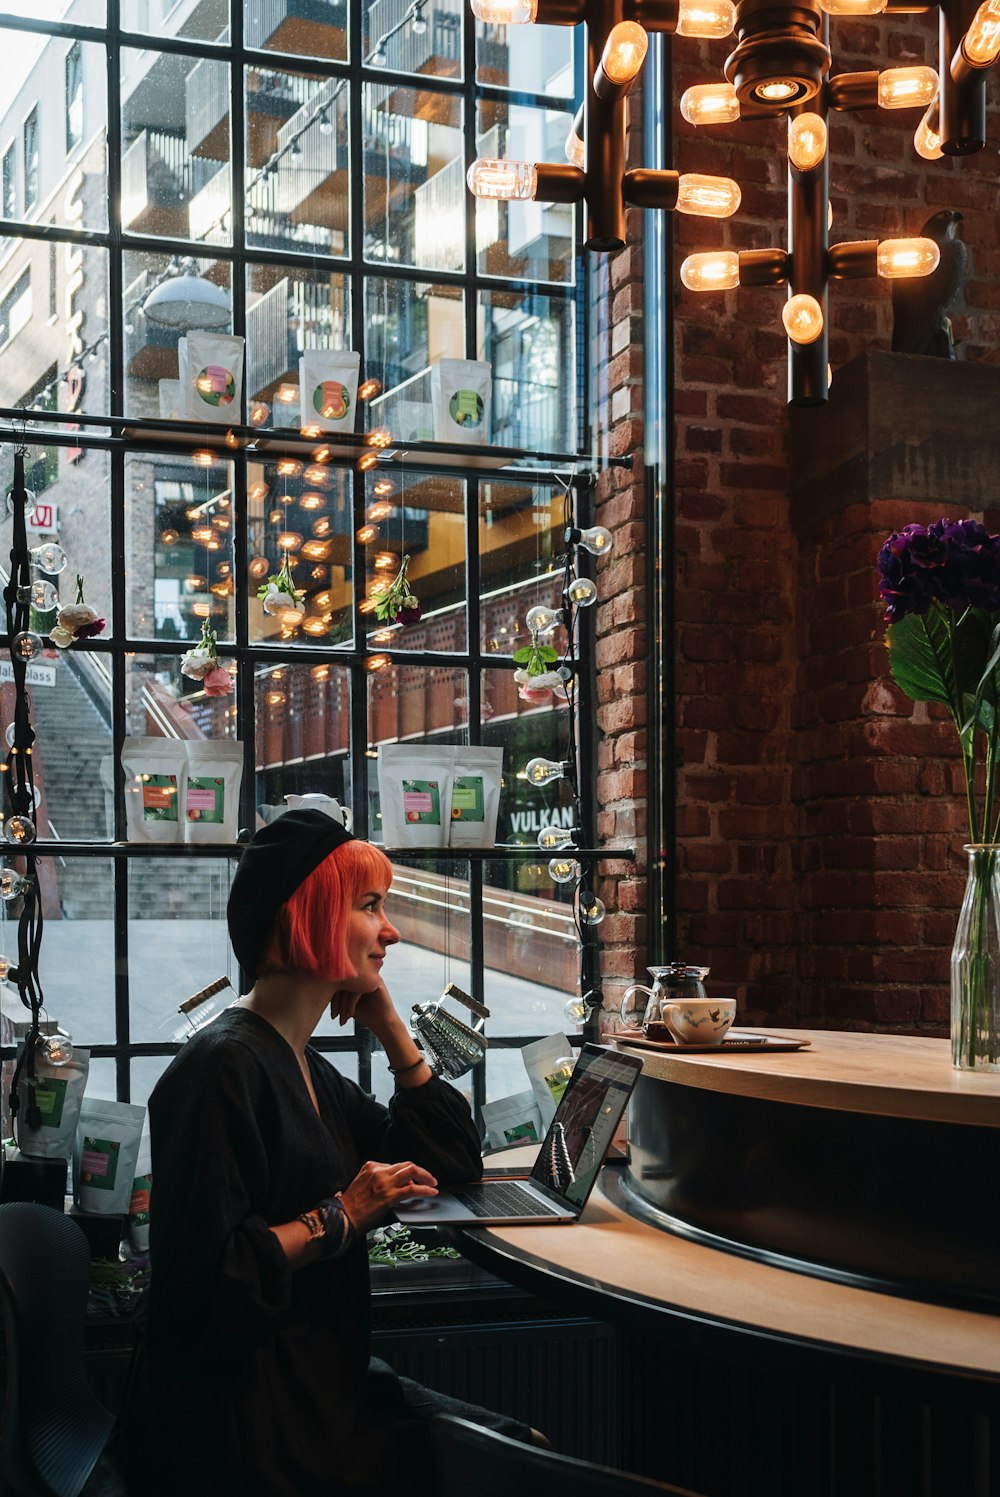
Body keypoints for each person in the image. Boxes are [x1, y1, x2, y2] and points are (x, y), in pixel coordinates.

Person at [121, 809, 531, 1496]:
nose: (391, 930)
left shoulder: (301, 1062)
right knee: (510, 1466)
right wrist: (340, 1214)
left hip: (317, 1388)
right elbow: (201, 1287)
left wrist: (390, 1025)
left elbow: (452, 1162)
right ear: (304, 915)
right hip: (243, 1424)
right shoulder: (222, 1068)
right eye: (370, 906)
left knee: (516, 1452)